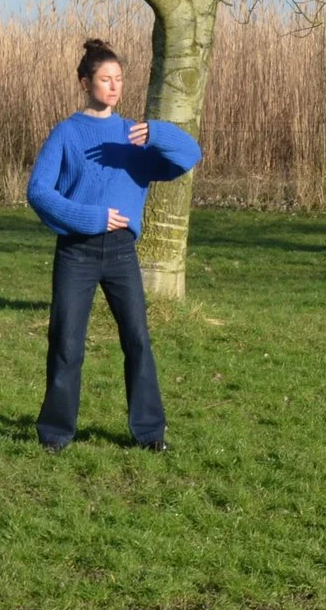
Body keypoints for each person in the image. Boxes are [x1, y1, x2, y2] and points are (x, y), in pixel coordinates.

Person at [25, 38, 201, 452]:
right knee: (66, 342)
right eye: (105, 78)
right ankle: (55, 435)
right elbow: (38, 191)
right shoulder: (67, 133)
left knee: (137, 340)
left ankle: (150, 433)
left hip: (123, 254)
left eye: (119, 79)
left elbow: (191, 155)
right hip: (76, 252)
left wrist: (158, 132)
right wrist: (92, 217)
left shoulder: (134, 137)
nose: (114, 86)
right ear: (85, 82)